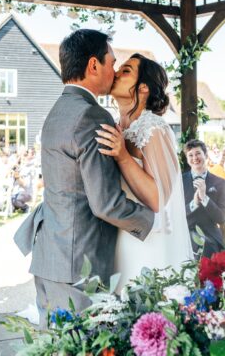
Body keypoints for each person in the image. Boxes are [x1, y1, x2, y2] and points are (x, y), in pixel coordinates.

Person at [14, 29, 154, 328]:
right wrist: (153, 221)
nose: (114, 71)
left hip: (52, 254)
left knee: (55, 344)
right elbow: (105, 203)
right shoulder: (92, 115)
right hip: (80, 264)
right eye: (111, 62)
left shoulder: (57, 111)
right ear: (93, 65)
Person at [96, 53, 193, 289]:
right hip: (118, 234)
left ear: (144, 88)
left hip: (147, 240)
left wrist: (122, 155)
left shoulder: (153, 128)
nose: (117, 73)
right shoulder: (115, 125)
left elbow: (158, 198)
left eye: (127, 71)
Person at [182, 139, 225, 258]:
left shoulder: (220, 183)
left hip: (210, 238)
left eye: (198, 153)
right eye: (190, 155)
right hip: (185, 235)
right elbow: (176, 214)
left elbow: (221, 218)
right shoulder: (179, 182)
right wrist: (194, 203)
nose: (194, 158)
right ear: (187, 159)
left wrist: (204, 197)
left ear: (205, 155)